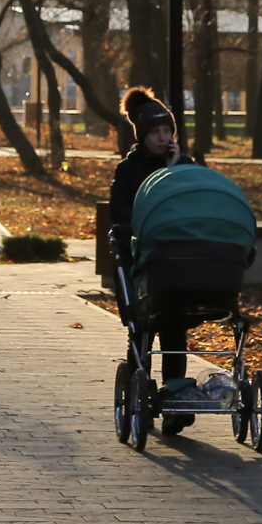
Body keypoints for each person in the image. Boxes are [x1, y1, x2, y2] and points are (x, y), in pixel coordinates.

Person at [108, 87, 194, 431]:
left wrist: (174, 169)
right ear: (142, 135)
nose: (163, 138)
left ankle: (175, 399)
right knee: (142, 332)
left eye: (167, 132)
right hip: (142, 261)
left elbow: (192, 203)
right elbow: (120, 212)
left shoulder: (184, 165)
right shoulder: (129, 170)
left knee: (174, 333)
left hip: (175, 261)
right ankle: (138, 392)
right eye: (156, 133)